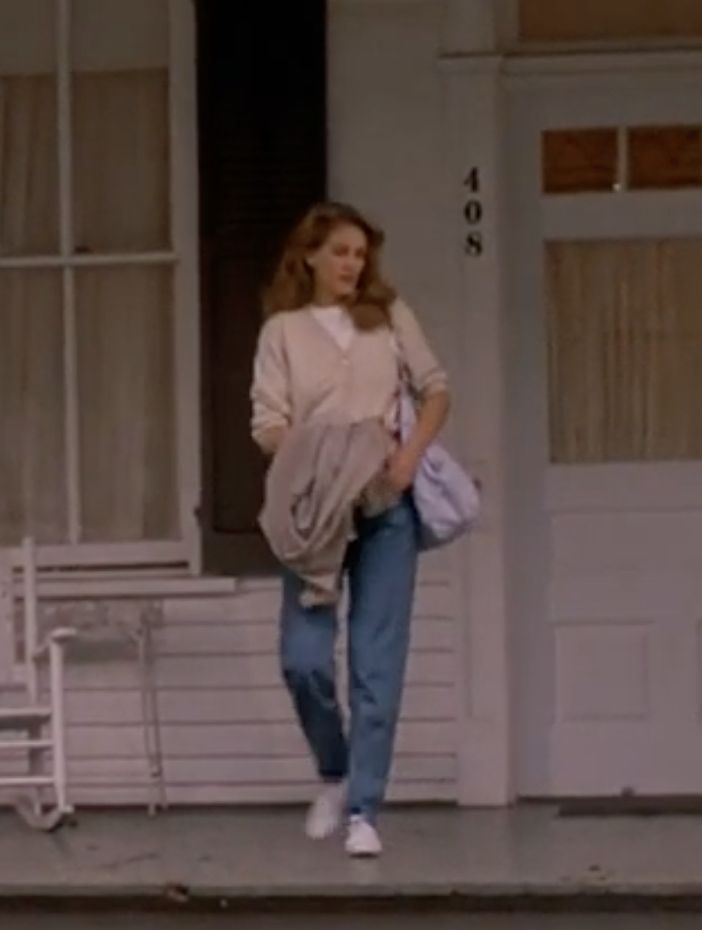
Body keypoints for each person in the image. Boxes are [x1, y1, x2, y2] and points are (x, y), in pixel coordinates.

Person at [250, 201, 450, 856]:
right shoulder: (282, 331)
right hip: (312, 512)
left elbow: (436, 390)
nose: (351, 265)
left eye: (360, 255)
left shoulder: (389, 318)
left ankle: (365, 809)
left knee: (376, 663)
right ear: (309, 255)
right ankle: (334, 772)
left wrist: (405, 459)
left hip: (385, 507)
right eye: (339, 252)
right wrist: (319, 461)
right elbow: (268, 425)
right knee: (303, 660)